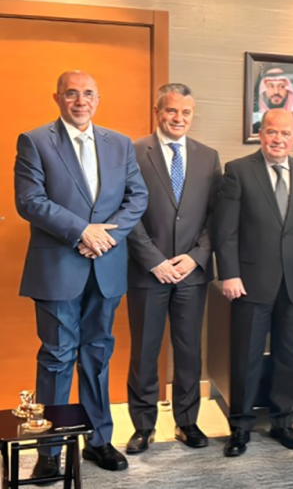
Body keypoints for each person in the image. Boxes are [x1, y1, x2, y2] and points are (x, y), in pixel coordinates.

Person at [14, 70, 148, 476]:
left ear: (98, 99)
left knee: (98, 353)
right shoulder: (35, 141)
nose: (80, 100)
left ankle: (99, 441)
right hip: (57, 267)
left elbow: (137, 197)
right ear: (57, 98)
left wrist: (105, 238)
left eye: (88, 93)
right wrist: (82, 232)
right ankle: (49, 453)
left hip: (106, 266)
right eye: (71, 93)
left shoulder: (120, 144)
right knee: (57, 357)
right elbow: (30, 200)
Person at [213, 108, 293, 457]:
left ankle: (283, 422)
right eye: (271, 132)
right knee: (245, 357)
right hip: (249, 281)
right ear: (260, 134)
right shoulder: (238, 170)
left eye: (285, 133)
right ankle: (241, 426)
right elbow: (225, 230)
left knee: (288, 356)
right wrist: (229, 273)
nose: (278, 139)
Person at [125, 83, 222, 454]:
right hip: (147, 272)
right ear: (157, 111)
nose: (178, 118)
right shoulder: (133, 152)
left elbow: (216, 216)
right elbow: (125, 211)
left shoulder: (208, 157)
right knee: (145, 350)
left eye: (186, 112)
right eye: (171, 110)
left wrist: (197, 255)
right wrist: (154, 260)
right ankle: (143, 425)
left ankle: (187, 421)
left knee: (188, 350)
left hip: (191, 273)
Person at [252, 68, 293, 134]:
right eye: (271, 86)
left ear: (288, 91)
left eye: (282, 87)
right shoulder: (253, 120)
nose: (276, 92)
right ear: (263, 90)